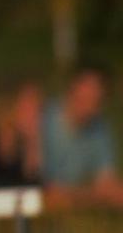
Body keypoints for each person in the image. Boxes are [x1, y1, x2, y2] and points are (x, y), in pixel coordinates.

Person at [41, 64, 123, 209]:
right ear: (71, 90)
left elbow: (108, 185)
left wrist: (77, 196)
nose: (89, 104)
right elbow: (49, 192)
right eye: (84, 97)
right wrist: (92, 195)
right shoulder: (44, 118)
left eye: (95, 100)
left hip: (67, 207)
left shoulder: (100, 129)